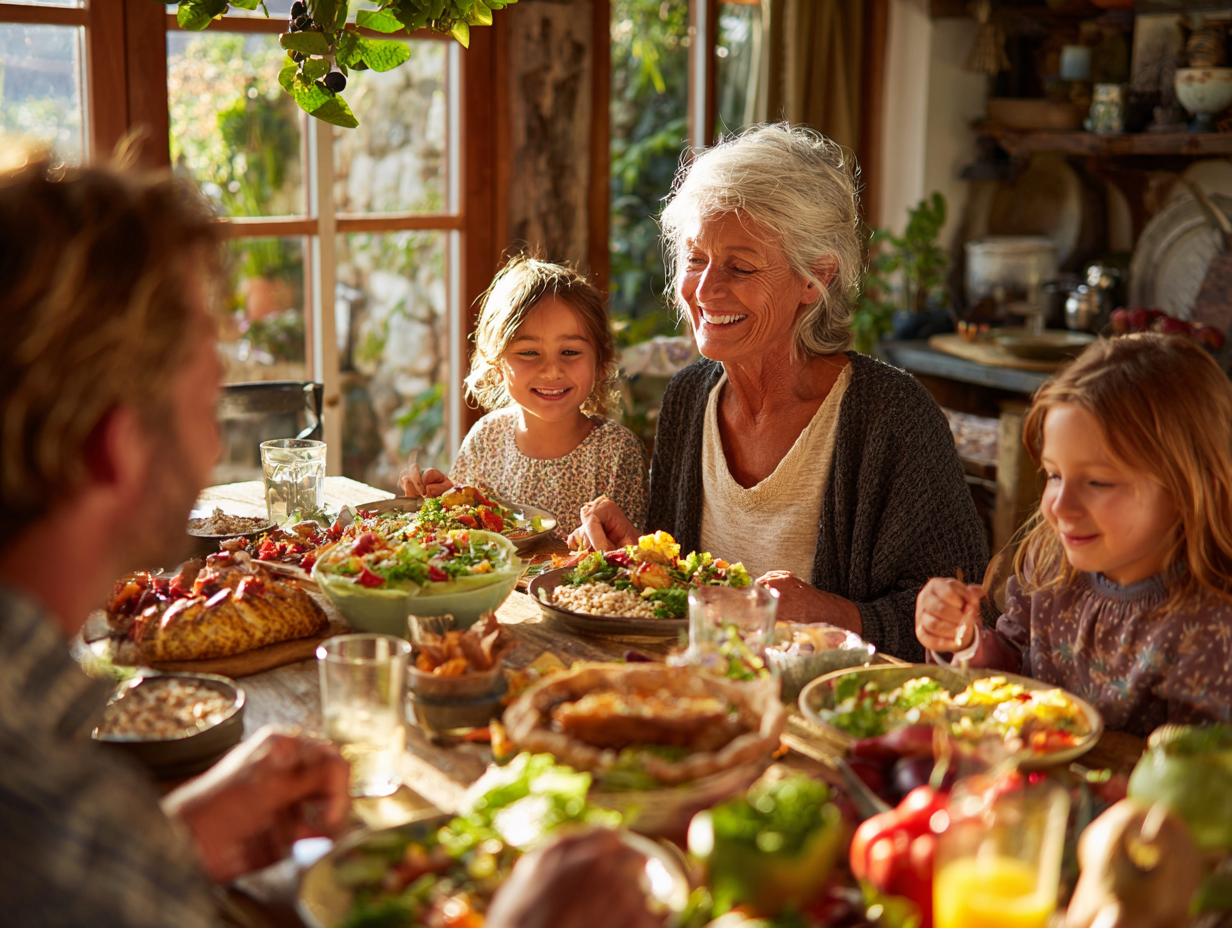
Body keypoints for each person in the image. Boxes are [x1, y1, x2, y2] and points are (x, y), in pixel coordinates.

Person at [0, 146, 350, 925]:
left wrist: (163, 841)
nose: (216, 421)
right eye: (209, 375)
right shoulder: (44, 822)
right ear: (115, 447)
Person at [567, 124, 987, 661]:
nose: (705, 288)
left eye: (740, 267)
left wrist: (835, 612)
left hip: (829, 718)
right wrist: (643, 559)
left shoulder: (891, 417)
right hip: (707, 702)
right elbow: (695, 599)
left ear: (815, 278)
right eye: (695, 258)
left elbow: (966, 620)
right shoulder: (688, 400)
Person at [915, 335, 1232, 737]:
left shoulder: (1213, 628)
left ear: (1191, 489)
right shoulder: (1050, 562)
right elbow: (1010, 670)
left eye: (1098, 482)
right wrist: (963, 644)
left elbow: (1200, 779)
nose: (1060, 508)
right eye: (1054, 475)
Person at [400, 255, 648, 538]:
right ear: (496, 365)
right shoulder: (486, 439)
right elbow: (466, 530)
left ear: (601, 363)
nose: (552, 370)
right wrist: (442, 499)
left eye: (570, 352)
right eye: (529, 352)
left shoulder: (616, 451)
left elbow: (633, 555)